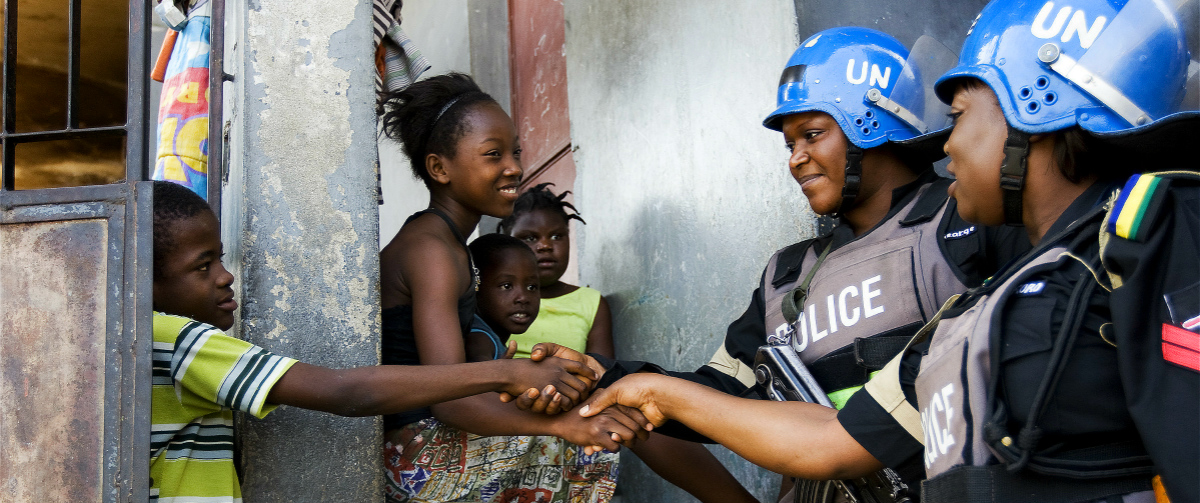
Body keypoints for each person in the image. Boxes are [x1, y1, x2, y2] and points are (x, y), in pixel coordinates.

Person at [578, 0, 1199, 501]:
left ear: (1031, 108)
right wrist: (617, 381)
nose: (946, 144)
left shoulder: (1137, 240)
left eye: (959, 115)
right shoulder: (963, 315)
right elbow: (811, 433)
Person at [581, 27, 1027, 501]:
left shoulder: (966, 218)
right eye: (790, 145)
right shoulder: (786, 276)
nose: (796, 159)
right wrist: (602, 374)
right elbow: (724, 393)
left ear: (870, 123)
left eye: (813, 135)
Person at [149, 180, 598, 502]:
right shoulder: (176, 341)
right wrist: (510, 372)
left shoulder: (154, 345)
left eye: (220, 259)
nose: (226, 276)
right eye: (203, 266)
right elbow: (347, 391)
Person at [376, 73, 649, 503]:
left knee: (618, 406)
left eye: (516, 151)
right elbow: (449, 399)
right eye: (493, 154)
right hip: (418, 455)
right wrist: (560, 425)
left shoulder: (448, 244)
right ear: (439, 168)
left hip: (430, 439)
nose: (515, 167)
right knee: (620, 415)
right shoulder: (432, 251)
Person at [498, 183, 761, 503]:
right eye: (529, 238)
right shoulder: (498, 299)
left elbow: (603, 372)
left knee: (638, 408)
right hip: (509, 400)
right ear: (505, 241)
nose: (544, 246)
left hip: (575, 398)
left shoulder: (589, 302)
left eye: (557, 236)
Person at [463, 233, 541, 363]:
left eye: (532, 287)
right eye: (506, 286)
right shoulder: (479, 339)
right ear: (475, 289)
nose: (523, 298)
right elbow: (478, 371)